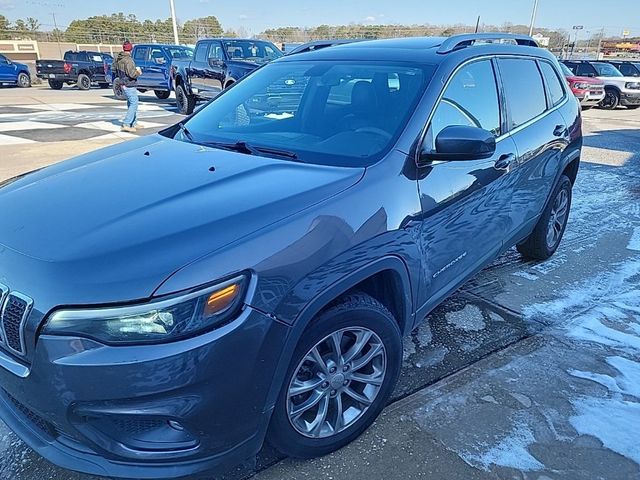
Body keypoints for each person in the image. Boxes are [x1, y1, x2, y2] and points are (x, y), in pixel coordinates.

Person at [113, 41, 142, 133]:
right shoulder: (128, 60)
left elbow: (114, 70)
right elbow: (132, 74)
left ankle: (134, 123)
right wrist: (138, 72)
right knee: (134, 103)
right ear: (131, 49)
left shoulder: (119, 59)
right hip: (129, 84)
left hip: (123, 83)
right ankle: (126, 123)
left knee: (131, 103)